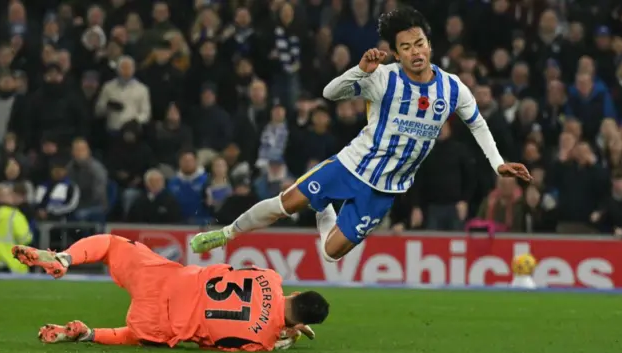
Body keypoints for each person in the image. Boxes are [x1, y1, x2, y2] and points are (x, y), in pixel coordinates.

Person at [191, 8, 532, 262]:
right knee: (286, 204)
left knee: (330, 254)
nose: (416, 52)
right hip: (351, 165)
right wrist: (360, 70)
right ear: (396, 53)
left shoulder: (452, 87)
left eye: (420, 44)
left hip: (386, 189)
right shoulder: (383, 77)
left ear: (429, 45)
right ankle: (226, 234)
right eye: (407, 47)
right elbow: (329, 92)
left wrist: (498, 163)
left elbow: (477, 123)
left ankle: (323, 211)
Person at [11, 236, 328, 352]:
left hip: (166, 279)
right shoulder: (262, 342)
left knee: (108, 245)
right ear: (298, 324)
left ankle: (64, 258)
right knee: (138, 337)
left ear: (296, 291)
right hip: (162, 322)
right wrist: (286, 332)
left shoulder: (270, 277)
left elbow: (237, 274)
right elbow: (217, 345)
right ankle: (87, 334)